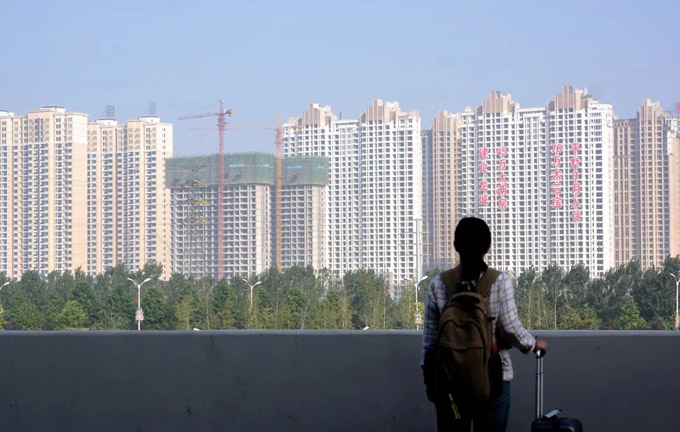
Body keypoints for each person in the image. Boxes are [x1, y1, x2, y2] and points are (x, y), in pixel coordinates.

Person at [421, 217, 548, 432]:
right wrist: (534, 344)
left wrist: (431, 381)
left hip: (450, 384)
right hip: (492, 381)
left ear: (456, 246)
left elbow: (430, 341)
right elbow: (511, 329)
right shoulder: (499, 281)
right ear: (487, 248)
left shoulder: (438, 284)